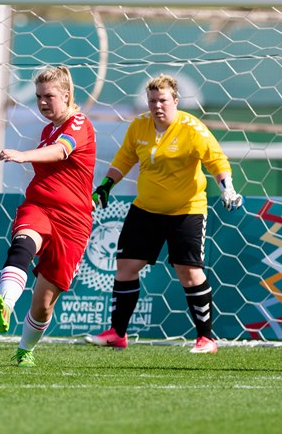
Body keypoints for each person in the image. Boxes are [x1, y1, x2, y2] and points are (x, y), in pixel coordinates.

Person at [85, 74, 244, 354]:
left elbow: (216, 160)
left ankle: (206, 339)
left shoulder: (192, 128)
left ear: (175, 101)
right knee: (126, 267)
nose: (157, 106)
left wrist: (227, 188)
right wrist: (106, 185)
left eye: (162, 100)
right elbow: (125, 157)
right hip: (146, 209)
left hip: (186, 210)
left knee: (189, 272)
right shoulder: (139, 126)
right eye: (152, 101)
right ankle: (117, 334)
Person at [0, 66, 96, 367]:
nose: (43, 102)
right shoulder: (48, 129)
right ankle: (5, 304)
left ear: (67, 95)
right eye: (38, 97)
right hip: (39, 206)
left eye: (49, 96)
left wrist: (23, 155)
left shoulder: (79, 122)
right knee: (22, 246)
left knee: (44, 304)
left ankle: (24, 350)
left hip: (73, 222)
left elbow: (62, 153)